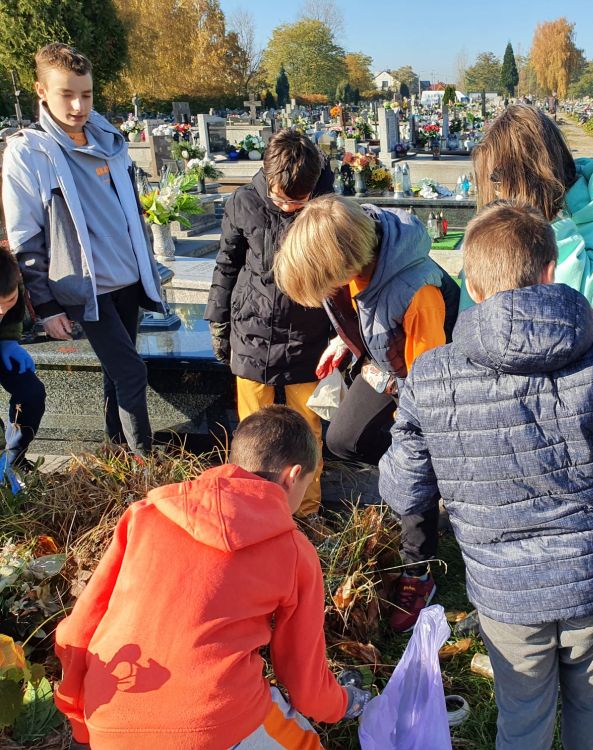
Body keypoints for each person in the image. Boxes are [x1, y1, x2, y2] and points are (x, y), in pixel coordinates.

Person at [379, 201, 593, 750]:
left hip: (506, 590)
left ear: (471, 284)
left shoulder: (432, 374)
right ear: (551, 270)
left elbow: (402, 490)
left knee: (521, 715)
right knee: (592, 701)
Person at [53, 405, 370, 749]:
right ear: (292, 476)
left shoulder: (145, 515)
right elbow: (303, 682)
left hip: (109, 715)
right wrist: (344, 703)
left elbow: (78, 630)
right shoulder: (293, 551)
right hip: (213, 723)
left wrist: (81, 726)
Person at [274, 196, 459, 632]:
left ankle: (418, 569)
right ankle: (424, 489)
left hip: (430, 387)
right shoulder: (356, 244)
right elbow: (364, 312)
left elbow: (429, 388)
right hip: (389, 365)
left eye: (326, 285)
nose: (326, 294)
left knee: (411, 465)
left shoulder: (418, 293)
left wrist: (401, 425)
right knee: (345, 439)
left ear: (346, 264)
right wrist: (345, 341)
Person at [2, 43, 164, 454]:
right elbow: (25, 237)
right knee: (131, 372)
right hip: (87, 287)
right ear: (41, 91)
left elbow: (129, 208)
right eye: (67, 94)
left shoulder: (110, 138)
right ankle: (146, 463)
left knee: (116, 373)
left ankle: (118, 454)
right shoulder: (29, 151)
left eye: (86, 95)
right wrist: (47, 306)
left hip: (128, 278)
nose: (78, 106)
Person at [205, 128, 335, 517]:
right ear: (267, 177)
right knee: (253, 434)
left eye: (299, 200)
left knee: (308, 428)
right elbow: (227, 264)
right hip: (252, 330)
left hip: (308, 334)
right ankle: (254, 511)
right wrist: (218, 321)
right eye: (282, 199)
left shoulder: (327, 207)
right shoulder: (244, 202)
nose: (290, 208)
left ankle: (307, 511)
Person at [465, 103, 593, 314]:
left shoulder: (590, 208)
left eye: (496, 179)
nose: (496, 192)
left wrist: (550, 224)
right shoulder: (510, 216)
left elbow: (590, 292)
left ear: (527, 176)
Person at [0, 244, 45, 470]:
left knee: (31, 393)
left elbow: (13, 314)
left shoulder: (9, 275)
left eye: (7, 302)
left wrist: (8, 340)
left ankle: (14, 460)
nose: (1, 311)